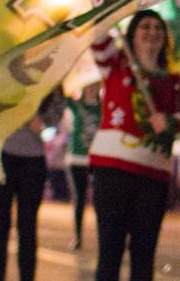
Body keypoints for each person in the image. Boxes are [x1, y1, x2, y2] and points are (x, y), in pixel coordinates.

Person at [89, 10, 180, 281]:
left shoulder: (177, 84)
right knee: (110, 252)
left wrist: (173, 122)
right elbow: (97, 33)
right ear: (132, 34)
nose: (152, 32)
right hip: (112, 171)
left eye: (158, 28)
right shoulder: (116, 65)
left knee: (144, 256)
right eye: (144, 27)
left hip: (153, 178)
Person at [0, 87, 64, 281]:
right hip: (2, 155)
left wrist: (45, 123)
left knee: (28, 227)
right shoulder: (5, 66)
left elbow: (57, 114)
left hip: (33, 160)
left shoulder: (51, 73)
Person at [66, 83, 100, 250]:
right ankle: (78, 236)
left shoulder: (102, 107)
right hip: (77, 159)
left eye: (95, 86)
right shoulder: (76, 105)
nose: (92, 90)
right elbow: (62, 92)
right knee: (79, 200)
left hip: (98, 160)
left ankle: (107, 239)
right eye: (89, 86)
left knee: (101, 200)